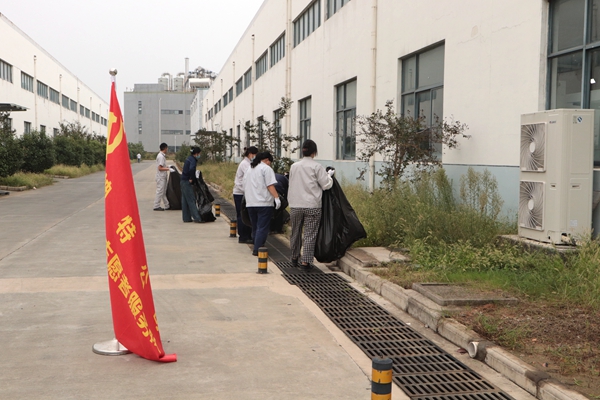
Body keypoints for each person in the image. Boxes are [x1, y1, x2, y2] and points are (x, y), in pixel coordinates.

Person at [288, 140, 334, 269]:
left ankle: (294, 257)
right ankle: (306, 262)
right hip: (312, 206)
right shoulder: (317, 167)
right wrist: (329, 176)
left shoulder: (294, 166)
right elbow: (326, 185)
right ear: (314, 152)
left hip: (295, 204)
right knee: (310, 234)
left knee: (295, 232)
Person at [243, 152, 281, 256]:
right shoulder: (266, 169)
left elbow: (244, 185)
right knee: (262, 227)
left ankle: (257, 244)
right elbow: (270, 185)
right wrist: (276, 198)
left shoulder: (249, 169)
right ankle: (258, 249)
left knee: (255, 227)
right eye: (270, 162)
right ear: (267, 160)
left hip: (250, 203)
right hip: (264, 203)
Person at [233, 146, 258, 244]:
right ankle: (243, 236)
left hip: (245, 192)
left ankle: (247, 235)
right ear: (250, 154)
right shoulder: (245, 164)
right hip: (240, 193)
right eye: (255, 155)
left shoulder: (248, 163)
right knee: (241, 215)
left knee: (245, 215)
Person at [180, 146, 203, 223]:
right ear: (196, 153)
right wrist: (192, 179)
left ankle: (186, 218)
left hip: (183, 181)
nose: (200, 155)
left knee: (185, 200)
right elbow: (192, 169)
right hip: (187, 181)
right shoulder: (193, 160)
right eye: (199, 153)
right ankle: (197, 218)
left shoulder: (189, 158)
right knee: (191, 199)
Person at [153, 143, 170, 211]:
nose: (167, 149)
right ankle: (156, 205)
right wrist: (168, 169)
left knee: (163, 192)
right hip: (161, 177)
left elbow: (162, 166)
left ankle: (167, 205)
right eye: (167, 148)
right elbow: (160, 168)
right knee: (160, 191)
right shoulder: (161, 157)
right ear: (165, 148)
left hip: (162, 176)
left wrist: (167, 167)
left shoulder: (161, 156)